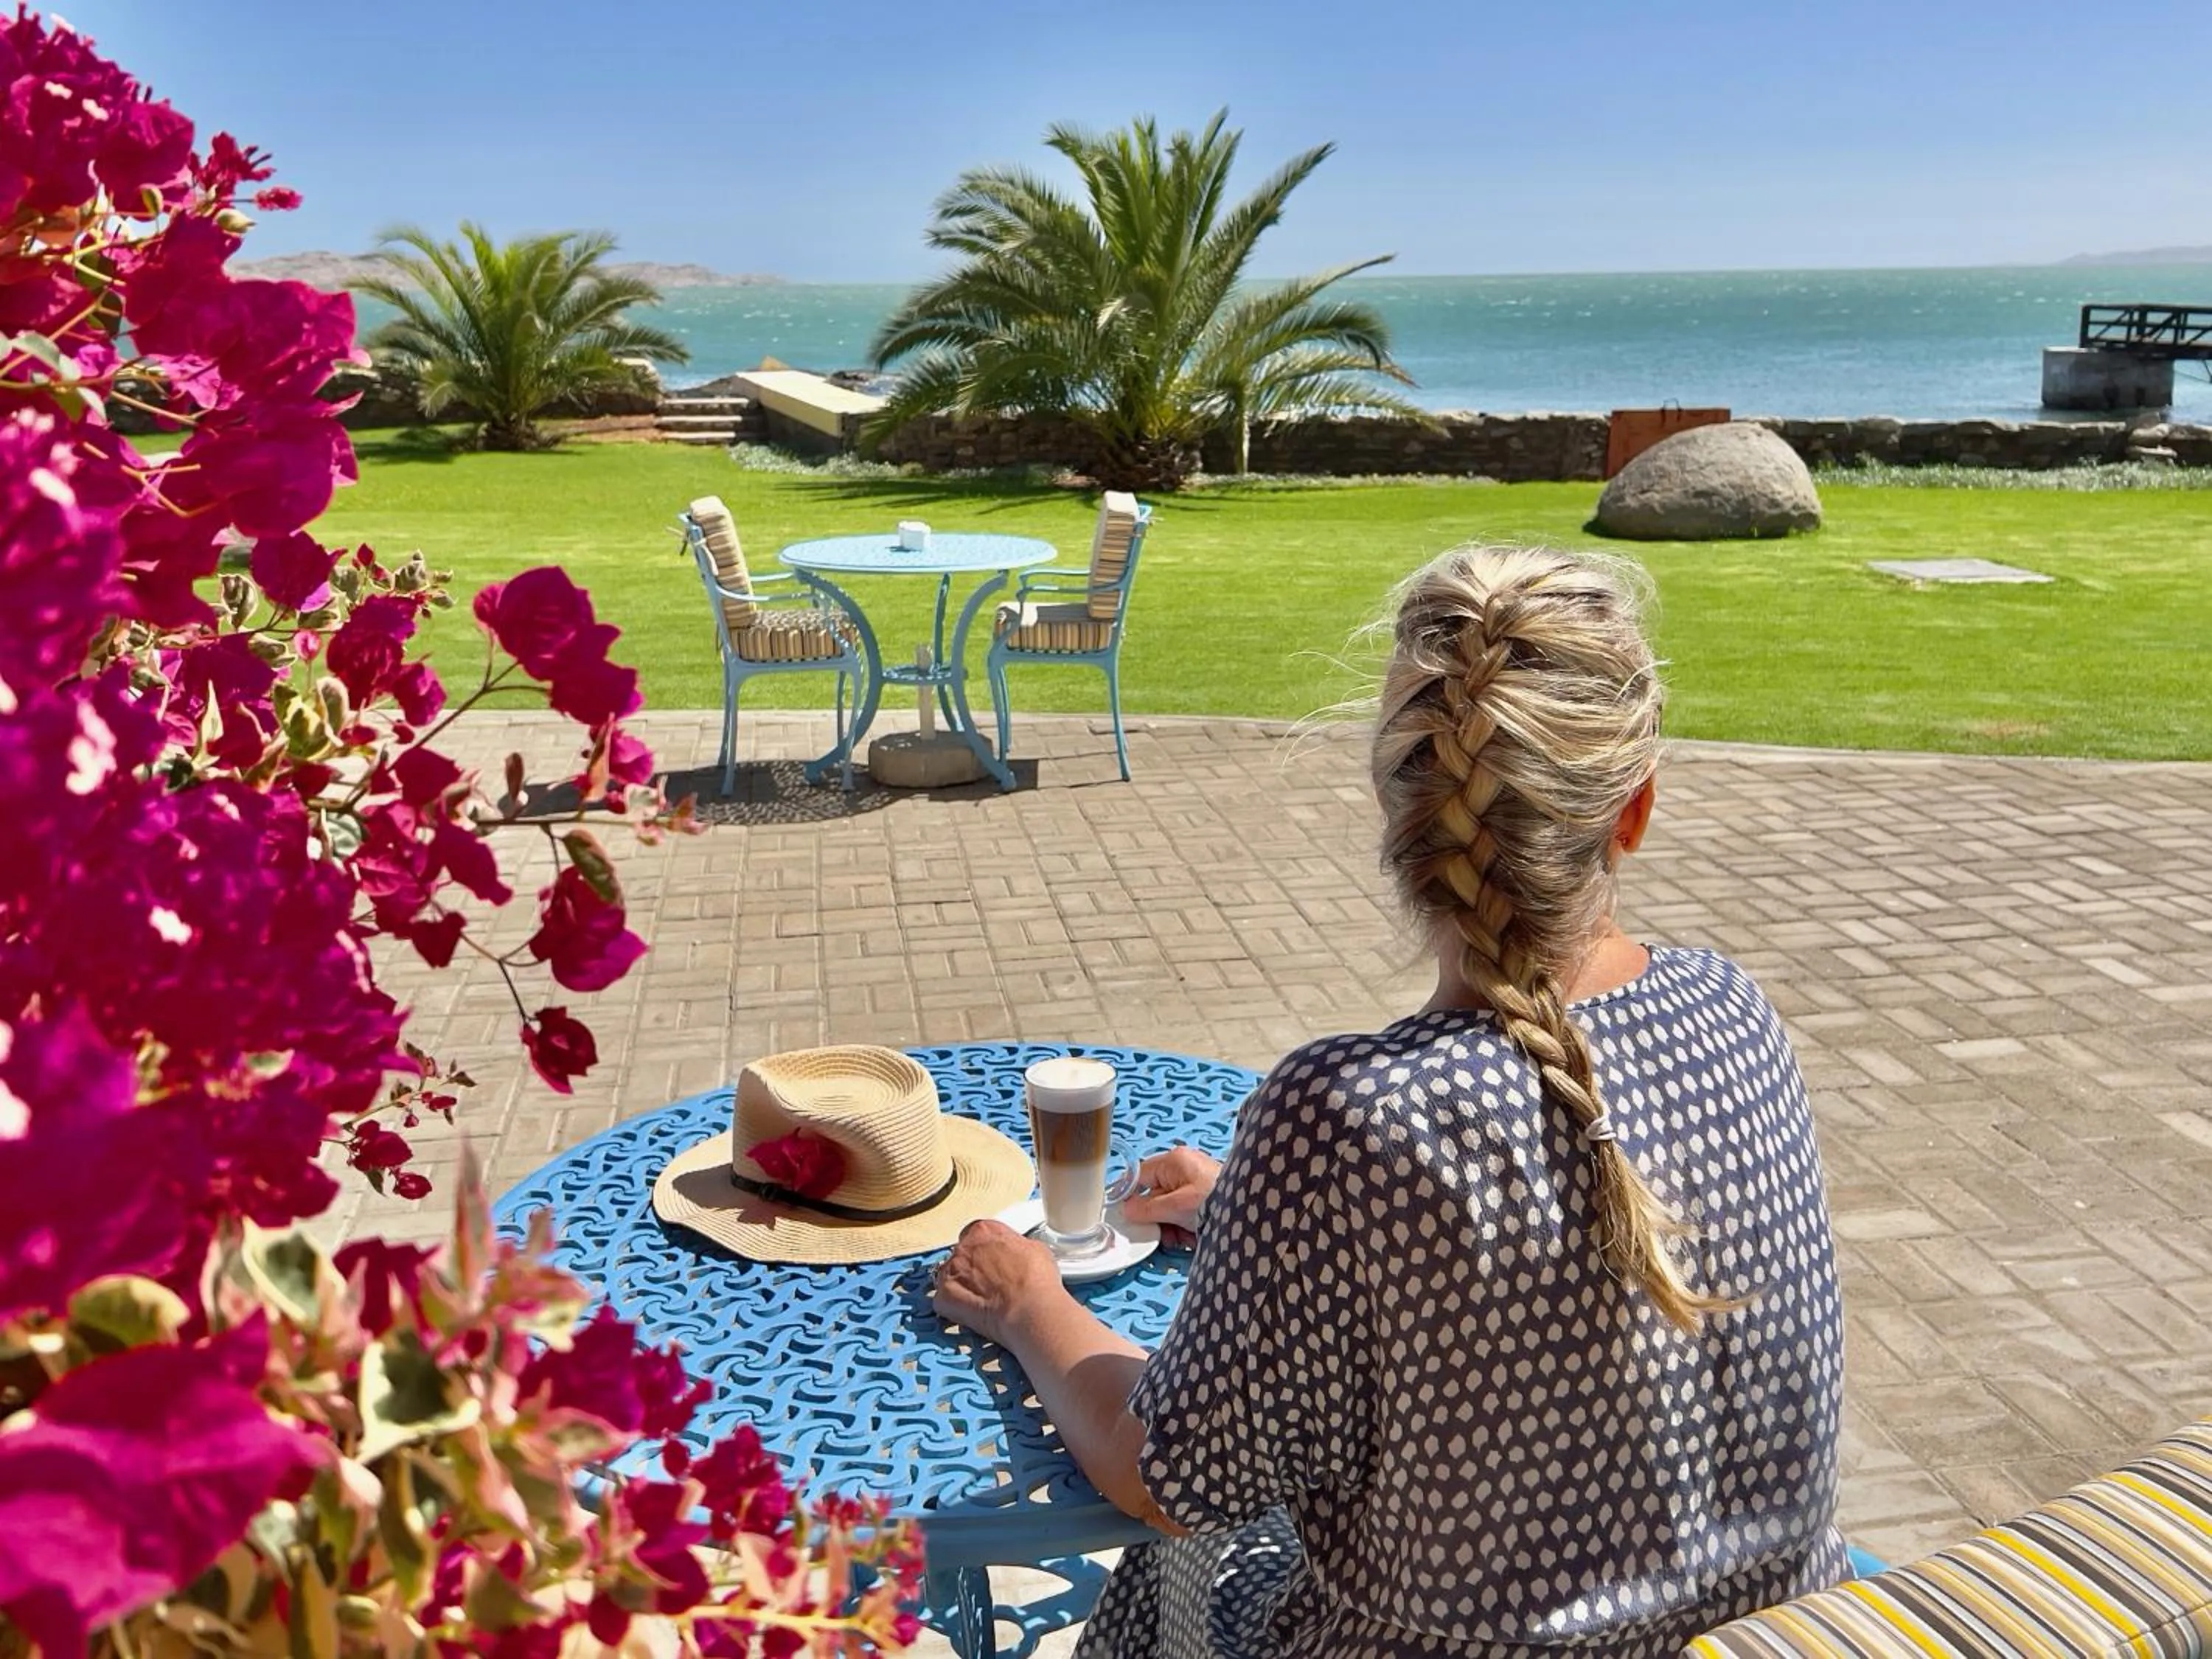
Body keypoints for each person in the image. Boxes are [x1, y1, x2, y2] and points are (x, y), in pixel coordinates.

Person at [932, 544, 1848, 1658]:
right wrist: (1260, 1221)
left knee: (1161, 1579)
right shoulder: (1731, 1009)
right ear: (1633, 810)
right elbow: (1546, 1276)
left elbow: (1168, 1475)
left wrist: (1030, 1298)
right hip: (1781, 1633)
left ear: (1399, 810)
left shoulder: (1345, 1119)